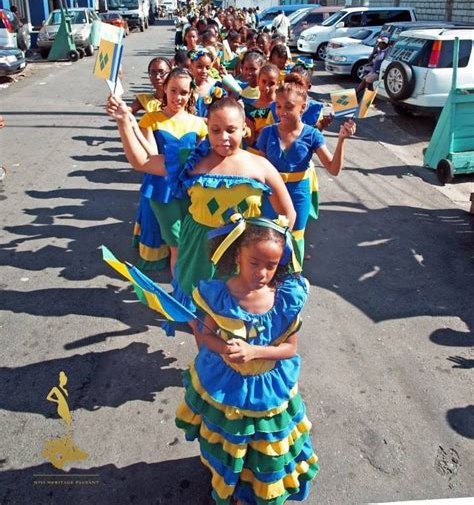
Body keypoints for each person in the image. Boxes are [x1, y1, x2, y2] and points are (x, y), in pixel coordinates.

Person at [106, 94, 296, 329]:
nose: (223, 138)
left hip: (241, 254)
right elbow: (142, 161)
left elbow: (288, 213)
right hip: (198, 250)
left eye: (231, 129)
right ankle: (205, 356)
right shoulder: (191, 161)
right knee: (197, 311)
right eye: (215, 130)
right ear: (207, 127)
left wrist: (269, 254)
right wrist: (124, 120)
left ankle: (229, 360)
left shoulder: (260, 165)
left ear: (245, 128)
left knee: (235, 315)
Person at [175, 215, 319, 505]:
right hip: (228, 384)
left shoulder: (285, 298)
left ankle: (253, 492)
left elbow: (289, 349)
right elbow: (206, 337)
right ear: (237, 253)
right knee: (234, 442)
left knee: (265, 445)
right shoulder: (217, 295)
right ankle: (233, 482)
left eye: (271, 266)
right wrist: (223, 347)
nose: (262, 273)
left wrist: (254, 352)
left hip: (269, 388)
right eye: (255, 263)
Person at [257, 76, 356, 264]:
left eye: (288, 106)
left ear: (303, 107)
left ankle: (291, 286)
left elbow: (333, 169)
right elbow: (259, 167)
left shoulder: (312, 135)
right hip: (271, 194)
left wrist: (342, 139)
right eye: (278, 106)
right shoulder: (267, 132)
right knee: (268, 239)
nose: (281, 112)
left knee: (293, 239)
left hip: (298, 195)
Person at [135, 68, 207, 276]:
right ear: (164, 89)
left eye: (184, 92)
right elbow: (150, 155)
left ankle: (185, 286)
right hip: (161, 188)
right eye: (173, 90)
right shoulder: (151, 119)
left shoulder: (198, 123)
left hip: (189, 191)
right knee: (175, 242)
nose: (178, 97)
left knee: (187, 240)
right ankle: (180, 290)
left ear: (190, 94)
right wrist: (129, 126)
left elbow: (202, 161)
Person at [128, 57, 172, 270]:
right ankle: (154, 253)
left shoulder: (180, 100)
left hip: (177, 163)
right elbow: (126, 115)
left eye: (162, 72)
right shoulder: (145, 100)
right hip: (153, 161)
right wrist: (117, 106)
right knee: (151, 206)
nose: (157, 77)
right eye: (153, 72)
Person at [356, 35, 390, 102]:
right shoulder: (380, 51)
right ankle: (356, 94)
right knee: (364, 79)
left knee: (368, 81)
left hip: (379, 72)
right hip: (374, 71)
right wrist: (374, 52)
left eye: (380, 43)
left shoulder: (387, 53)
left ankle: (366, 98)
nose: (378, 44)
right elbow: (371, 59)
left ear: (384, 44)